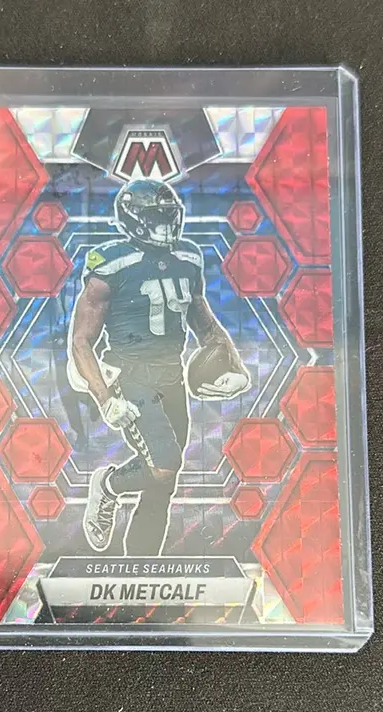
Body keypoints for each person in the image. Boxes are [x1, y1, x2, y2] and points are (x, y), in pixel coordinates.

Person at [68, 178, 250, 556]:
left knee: (165, 483)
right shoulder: (112, 262)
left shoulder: (188, 256)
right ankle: (107, 486)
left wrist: (234, 366)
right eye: (156, 218)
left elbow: (204, 322)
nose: (166, 226)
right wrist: (105, 398)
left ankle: (142, 560)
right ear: (133, 219)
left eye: (169, 216)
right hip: (130, 373)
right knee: (164, 464)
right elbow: (81, 341)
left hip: (171, 375)